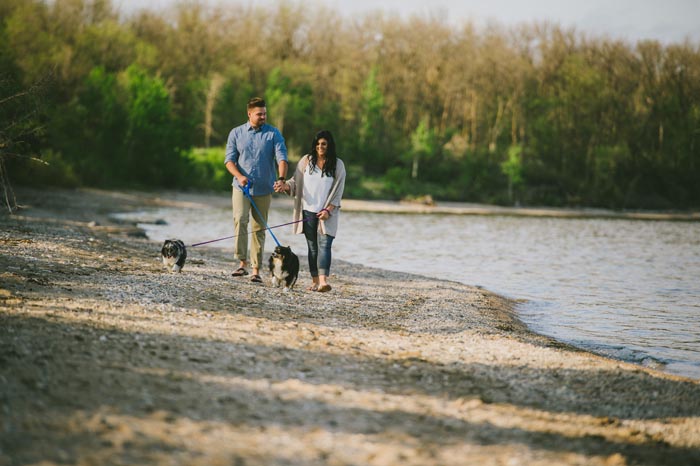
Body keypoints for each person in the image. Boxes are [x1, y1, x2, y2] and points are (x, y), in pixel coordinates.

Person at [225, 97, 288, 283]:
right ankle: (242, 262)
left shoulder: (273, 134)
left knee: (259, 229)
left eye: (265, 113)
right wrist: (239, 175)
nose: (263, 117)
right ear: (249, 114)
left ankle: (255, 270)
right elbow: (229, 161)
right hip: (241, 187)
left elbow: (282, 158)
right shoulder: (236, 133)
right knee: (240, 219)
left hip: (264, 188)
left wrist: (282, 179)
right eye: (259, 114)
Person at [275, 130, 346, 292]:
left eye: (324, 144)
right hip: (307, 211)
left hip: (327, 213)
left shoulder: (338, 164)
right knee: (313, 247)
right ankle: (315, 281)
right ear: (315, 145)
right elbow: (294, 182)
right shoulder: (306, 161)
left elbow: (338, 191)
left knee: (325, 244)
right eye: (318, 144)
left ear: (329, 146)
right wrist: (284, 186)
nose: (320, 147)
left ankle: (323, 282)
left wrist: (329, 209)